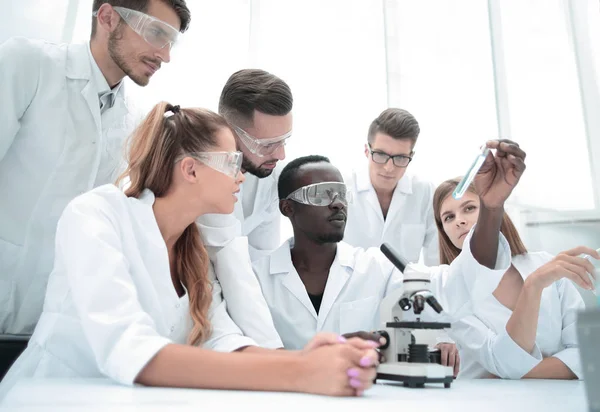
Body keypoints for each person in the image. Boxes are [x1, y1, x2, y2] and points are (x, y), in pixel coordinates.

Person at [0, 103, 379, 401]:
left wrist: (309, 358)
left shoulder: (193, 246)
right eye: (232, 162)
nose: (241, 175)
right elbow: (130, 351)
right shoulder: (95, 216)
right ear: (190, 170)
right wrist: (300, 374)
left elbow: (221, 339)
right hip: (51, 396)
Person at [253, 139, 526, 377]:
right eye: (321, 194)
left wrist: (491, 208)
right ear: (287, 207)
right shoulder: (257, 278)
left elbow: (455, 284)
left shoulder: (376, 269)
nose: (337, 202)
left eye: (340, 193)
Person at [0, 0, 191, 335]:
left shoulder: (135, 117)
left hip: (50, 315)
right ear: (107, 17)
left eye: (171, 42)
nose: (165, 55)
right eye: (156, 33)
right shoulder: (29, 64)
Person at [433, 177, 598, 379]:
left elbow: (586, 352)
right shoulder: (448, 289)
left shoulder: (545, 265)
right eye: (448, 217)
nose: (459, 220)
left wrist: (513, 374)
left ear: (493, 211)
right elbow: (502, 361)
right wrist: (533, 287)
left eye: (469, 208)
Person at [195, 69, 293, 348]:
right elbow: (230, 266)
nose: (281, 154)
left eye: (284, 140)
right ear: (228, 130)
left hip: (233, 313)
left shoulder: (270, 173)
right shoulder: (203, 172)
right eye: (267, 144)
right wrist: (274, 352)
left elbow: (258, 264)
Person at [344, 108, 439, 266]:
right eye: (381, 155)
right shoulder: (343, 188)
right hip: (350, 289)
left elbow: (437, 261)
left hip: (405, 288)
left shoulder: (425, 192)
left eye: (400, 158)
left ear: (411, 156)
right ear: (367, 151)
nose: (389, 168)